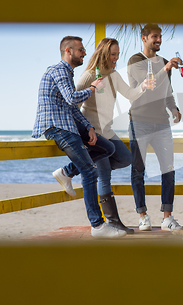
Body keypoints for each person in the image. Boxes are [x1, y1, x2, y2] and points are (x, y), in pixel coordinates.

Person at [32, 36, 125, 238]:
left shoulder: (67, 73)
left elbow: (71, 108)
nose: (84, 53)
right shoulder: (58, 70)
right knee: (90, 172)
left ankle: (66, 172)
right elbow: (72, 98)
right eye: (80, 50)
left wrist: (88, 127)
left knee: (107, 148)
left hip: (69, 124)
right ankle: (98, 226)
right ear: (68, 51)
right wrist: (92, 88)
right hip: (57, 127)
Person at [54, 38, 149, 234]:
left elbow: (130, 94)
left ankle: (70, 170)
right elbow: (73, 106)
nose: (116, 58)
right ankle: (113, 222)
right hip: (93, 134)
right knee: (104, 174)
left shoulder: (114, 75)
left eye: (118, 55)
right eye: (113, 54)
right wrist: (80, 133)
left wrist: (144, 86)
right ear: (104, 54)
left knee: (126, 158)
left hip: (108, 130)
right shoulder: (89, 75)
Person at [127, 23, 183, 232]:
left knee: (168, 169)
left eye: (160, 37)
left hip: (162, 123)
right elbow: (148, 83)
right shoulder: (135, 61)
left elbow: (166, 92)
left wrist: (174, 109)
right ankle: (143, 216)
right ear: (144, 38)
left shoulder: (165, 62)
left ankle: (167, 217)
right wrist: (166, 69)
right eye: (154, 36)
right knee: (138, 170)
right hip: (139, 122)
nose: (158, 40)